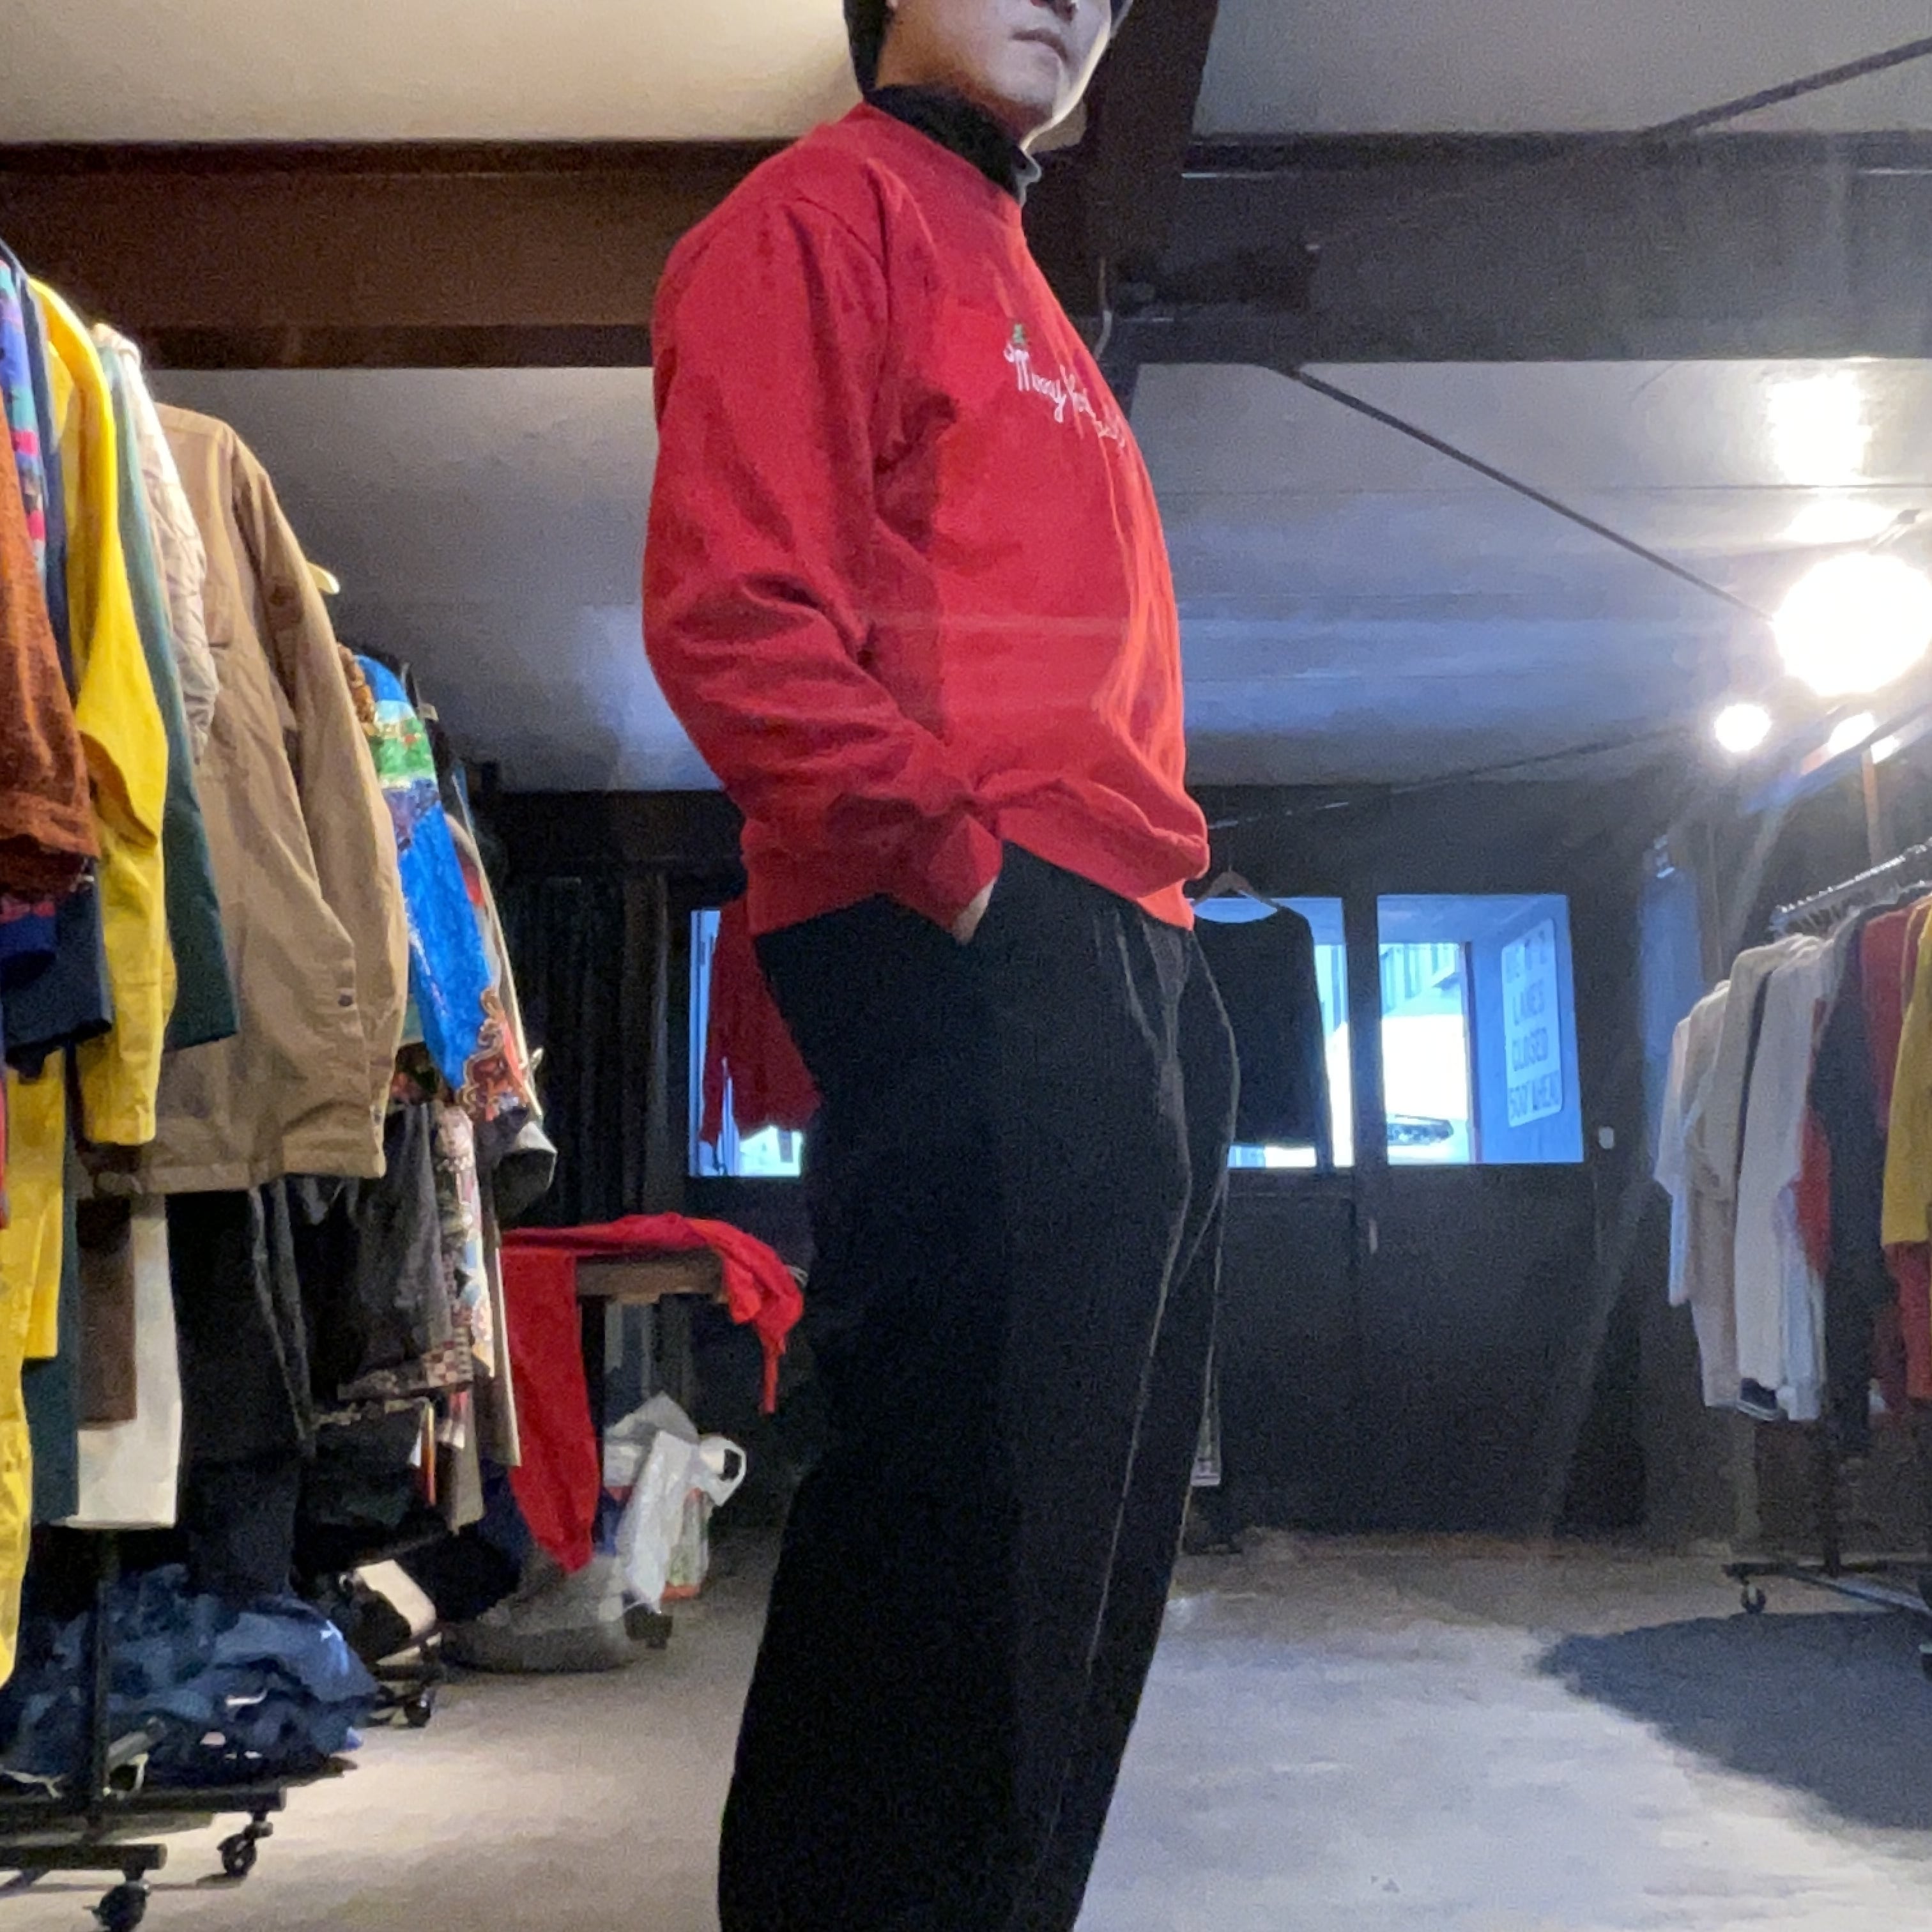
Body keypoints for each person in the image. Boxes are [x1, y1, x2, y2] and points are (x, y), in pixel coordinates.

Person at [644, 1, 1237, 1924]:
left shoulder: (1018, 268)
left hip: (1120, 940)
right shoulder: (815, 217)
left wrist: (1115, 945)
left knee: (1083, 1559)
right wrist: (975, 882)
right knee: (950, 1536)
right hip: (973, 927)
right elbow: (736, 615)